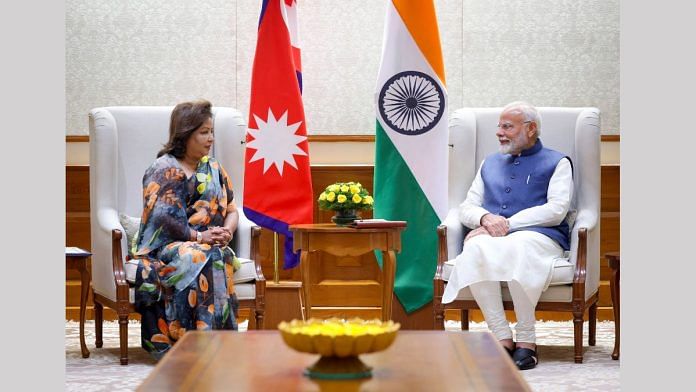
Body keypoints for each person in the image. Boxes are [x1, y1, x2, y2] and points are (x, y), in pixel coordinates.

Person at [441, 101, 574, 370]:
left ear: (531, 129)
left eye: (507, 127)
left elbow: (557, 210)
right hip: (492, 236)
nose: (499, 132)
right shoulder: (489, 163)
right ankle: (501, 336)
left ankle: (527, 340)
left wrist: (507, 225)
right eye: (499, 126)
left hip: (541, 237)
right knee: (476, 248)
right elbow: (467, 206)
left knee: (518, 246)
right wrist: (484, 219)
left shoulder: (558, 161)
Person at [131, 99, 241, 360]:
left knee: (216, 254)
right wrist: (200, 236)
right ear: (185, 133)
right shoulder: (163, 169)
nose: (211, 138)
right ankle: (188, 342)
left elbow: (234, 210)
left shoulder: (214, 168)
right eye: (204, 132)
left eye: (212, 131)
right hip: (167, 247)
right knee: (199, 255)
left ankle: (217, 344)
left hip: (210, 243)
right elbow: (162, 221)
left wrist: (226, 230)